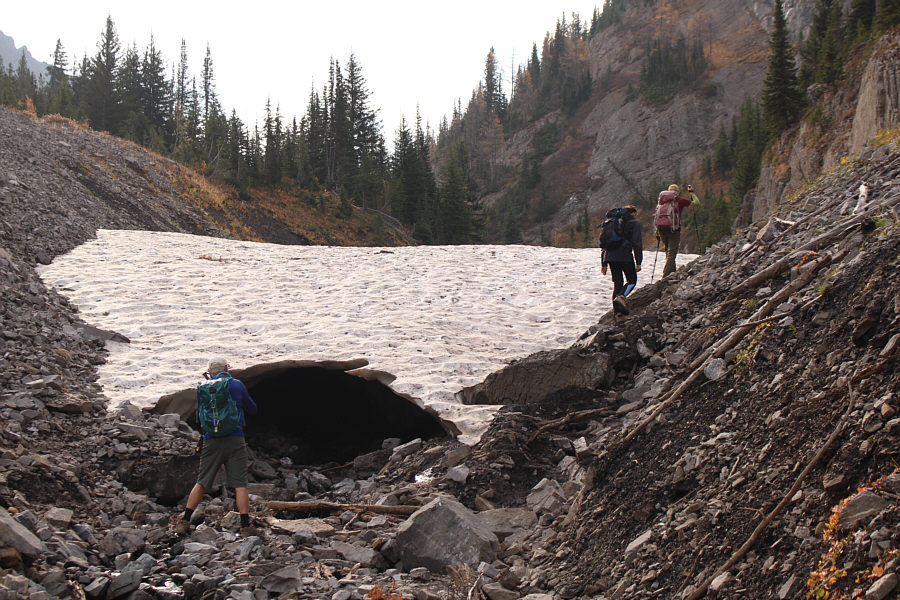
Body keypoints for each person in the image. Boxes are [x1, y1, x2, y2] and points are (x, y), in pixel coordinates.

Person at [176, 357, 259, 537]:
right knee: (240, 484)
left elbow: (201, 414)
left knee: (202, 481)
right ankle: (245, 526)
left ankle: (184, 521)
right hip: (235, 438)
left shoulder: (204, 388)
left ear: (210, 372)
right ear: (227, 369)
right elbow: (252, 408)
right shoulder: (236, 384)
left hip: (211, 439)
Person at [601, 204, 642, 316]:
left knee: (618, 284)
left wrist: (603, 263)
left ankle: (617, 314)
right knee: (632, 281)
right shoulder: (633, 224)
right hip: (625, 256)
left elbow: (604, 245)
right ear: (633, 213)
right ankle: (622, 297)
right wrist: (638, 262)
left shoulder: (610, 223)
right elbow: (637, 243)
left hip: (610, 257)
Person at [655, 184, 700, 277]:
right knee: (672, 252)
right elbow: (696, 202)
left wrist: (657, 232)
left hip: (661, 229)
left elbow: (657, 217)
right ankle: (666, 274)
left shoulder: (661, 201)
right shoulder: (679, 200)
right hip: (674, 229)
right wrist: (692, 193)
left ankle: (672, 272)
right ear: (677, 192)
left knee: (668, 250)